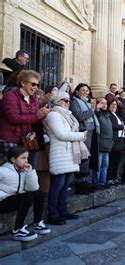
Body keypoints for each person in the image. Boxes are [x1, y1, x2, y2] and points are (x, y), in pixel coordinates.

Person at [44, 91, 89, 225]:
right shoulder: (53, 115)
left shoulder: (68, 116)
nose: (68, 103)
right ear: (57, 101)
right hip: (60, 153)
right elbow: (61, 134)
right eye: (64, 100)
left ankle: (63, 210)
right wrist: (81, 136)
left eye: (69, 100)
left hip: (69, 153)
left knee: (65, 185)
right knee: (57, 185)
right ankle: (53, 214)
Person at [0, 146, 50, 241]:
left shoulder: (23, 171)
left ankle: (37, 223)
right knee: (27, 196)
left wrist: (30, 173)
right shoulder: (3, 171)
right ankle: (18, 230)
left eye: (27, 157)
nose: (26, 160)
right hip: (2, 202)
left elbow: (33, 188)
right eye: (23, 158)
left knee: (38, 193)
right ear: (13, 159)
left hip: (14, 200)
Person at [0, 70, 49, 164]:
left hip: (25, 140)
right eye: (33, 84)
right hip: (10, 140)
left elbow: (34, 117)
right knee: (11, 172)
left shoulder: (33, 98)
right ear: (23, 83)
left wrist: (43, 115)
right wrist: (37, 115)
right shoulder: (10, 96)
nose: (36, 88)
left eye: (37, 85)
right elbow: (13, 118)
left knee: (26, 171)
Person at [70, 83, 99, 194]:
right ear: (77, 91)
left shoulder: (87, 103)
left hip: (91, 132)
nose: (85, 92)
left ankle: (85, 183)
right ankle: (80, 186)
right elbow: (80, 116)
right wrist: (92, 109)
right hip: (82, 132)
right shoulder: (74, 101)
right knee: (83, 159)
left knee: (88, 159)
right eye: (83, 90)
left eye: (87, 91)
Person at [94, 98, 112, 189]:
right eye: (102, 103)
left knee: (105, 165)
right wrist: (96, 108)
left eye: (105, 103)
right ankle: (96, 183)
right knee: (98, 165)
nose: (104, 105)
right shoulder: (97, 114)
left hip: (107, 144)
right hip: (100, 144)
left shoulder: (107, 115)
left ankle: (102, 182)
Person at [107, 100, 125, 186]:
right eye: (112, 104)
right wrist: (121, 127)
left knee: (117, 161)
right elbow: (110, 125)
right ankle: (109, 179)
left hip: (120, 140)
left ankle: (114, 178)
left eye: (115, 105)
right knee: (112, 161)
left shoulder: (117, 115)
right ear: (108, 105)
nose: (114, 106)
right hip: (114, 140)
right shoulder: (108, 115)